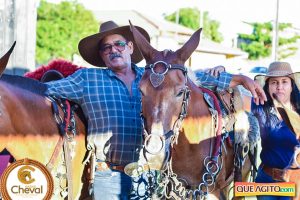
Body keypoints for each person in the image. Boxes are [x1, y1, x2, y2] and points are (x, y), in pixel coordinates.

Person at [44, 20, 266, 200]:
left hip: (149, 173)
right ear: (101, 56)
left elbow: (190, 78)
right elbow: (41, 90)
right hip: (108, 174)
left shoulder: (152, 76)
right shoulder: (87, 79)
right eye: (106, 47)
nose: (113, 50)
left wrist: (240, 79)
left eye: (119, 44)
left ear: (131, 47)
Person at [252, 61, 300, 200]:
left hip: (294, 182)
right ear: (268, 87)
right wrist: (221, 70)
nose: (279, 87)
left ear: (292, 86)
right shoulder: (259, 107)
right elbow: (232, 94)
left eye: (284, 82)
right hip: (266, 179)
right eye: (274, 82)